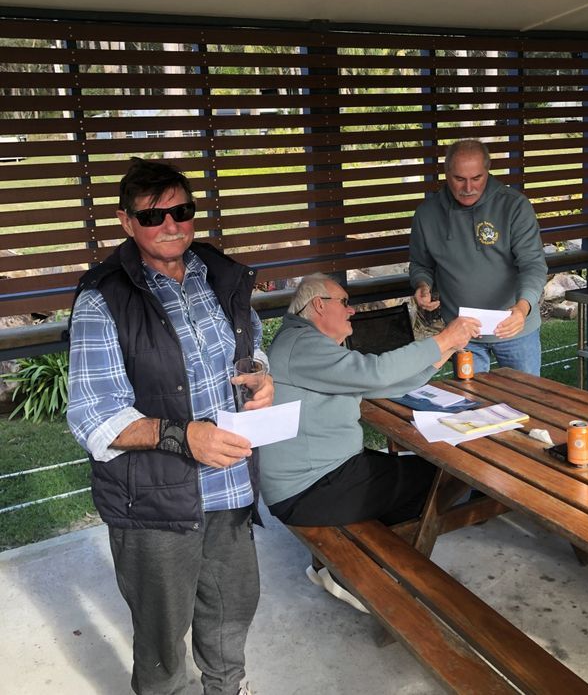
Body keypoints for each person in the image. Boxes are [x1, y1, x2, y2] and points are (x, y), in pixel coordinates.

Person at [67, 157, 274, 695]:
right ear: (126, 222)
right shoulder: (103, 298)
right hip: (154, 501)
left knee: (231, 607)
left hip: (229, 483)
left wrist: (259, 377)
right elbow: (94, 416)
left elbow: (248, 341)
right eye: (154, 216)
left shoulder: (216, 272)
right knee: (163, 637)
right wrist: (187, 436)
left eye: (182, 211)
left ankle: (227, 688)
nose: (171, 225)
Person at [259, 273, 480, 611]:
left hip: (318, 477)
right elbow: (373, 371)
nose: (352, 311)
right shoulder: (302, 345)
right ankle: (355, 571)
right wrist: (443, 338)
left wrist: (445, 349)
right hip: (311, 488)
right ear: (319, 305)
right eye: (345, 303)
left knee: (416, 472)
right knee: (439, 478)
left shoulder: (305, 344)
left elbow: (381, 385)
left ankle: (328, 563)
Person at [409, 139, 548, 376]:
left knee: (525, 402)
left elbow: (533, 264)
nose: (468, 188)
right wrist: (423, 284)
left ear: (488, 171)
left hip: (514, 328)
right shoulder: (427, 213)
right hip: (463, 330)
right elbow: (421, 264)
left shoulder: (514, 206)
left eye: (477, 178)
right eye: (459, 179)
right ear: (446, 173)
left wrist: (522, 308)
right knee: (469, 405)